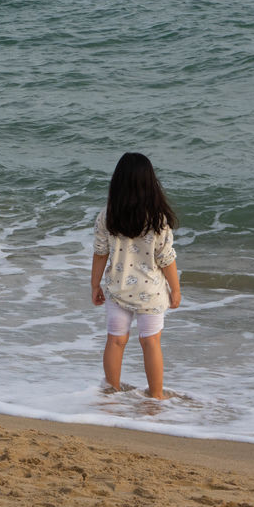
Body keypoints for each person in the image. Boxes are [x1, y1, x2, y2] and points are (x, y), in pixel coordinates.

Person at [91, 152, 181, 399]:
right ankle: (156, 396)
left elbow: (100, 253)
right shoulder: (157, 220)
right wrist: (176, 289)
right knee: (150, 343)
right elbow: (166, 259)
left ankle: (110, 392)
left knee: (115, 341)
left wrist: (94, 285)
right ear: (150, 184)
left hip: (117, 289)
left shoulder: (108, 215)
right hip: (150, 294)